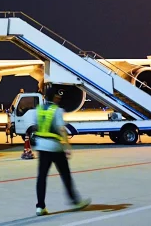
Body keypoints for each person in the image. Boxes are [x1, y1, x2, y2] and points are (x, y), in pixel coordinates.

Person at [31, 86, 90, 216]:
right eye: (58, 96)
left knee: (41, 178)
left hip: (42, 147)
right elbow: (61, 129)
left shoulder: (38, 109)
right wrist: (67, 146)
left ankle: (40, 207)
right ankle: (75, 201)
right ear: (54, 97)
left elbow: (36, 126)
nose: (59, 98)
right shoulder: (57, 110)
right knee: (65, 175)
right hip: (55, 147)